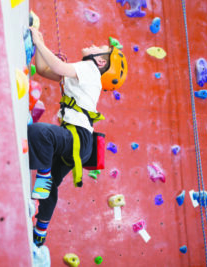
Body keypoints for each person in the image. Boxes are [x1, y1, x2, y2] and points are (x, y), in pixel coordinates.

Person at [28, 26, 127, 247]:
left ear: (100, 62)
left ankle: (42, 177)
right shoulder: (84, 73)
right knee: (52, 184)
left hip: (78, 138)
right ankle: (40, 230)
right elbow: (45, 70)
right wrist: (39, 45)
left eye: (99, 48)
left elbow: (57, 65)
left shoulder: (89, 69)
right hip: (80, 145)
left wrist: (41, 43)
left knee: (39, 133)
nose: (94, 45)